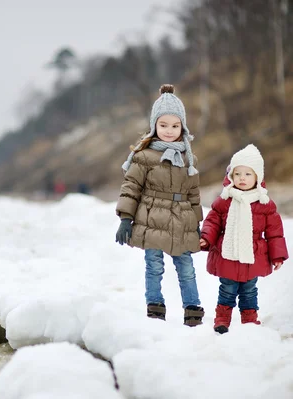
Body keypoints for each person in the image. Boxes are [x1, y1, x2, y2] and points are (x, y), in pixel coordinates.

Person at [115, 84, 204, 326]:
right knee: (154, 267)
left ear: (182, 127)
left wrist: (197, 222)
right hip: (151, 218)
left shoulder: (188, 158)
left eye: (175, 126)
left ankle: (193, 310)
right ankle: (155, 308)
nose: (168, 130)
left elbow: (193, 192)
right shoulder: (144, 156)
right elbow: (131, 187)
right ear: (155, 125)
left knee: (186, 269)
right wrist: (126, 218)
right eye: (163, 125)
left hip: (182, 220)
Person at [199, 144, 289, 334]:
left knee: (249, 290)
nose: (242, 178)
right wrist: (206, 238)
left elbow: (275, 233)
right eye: (237, 173)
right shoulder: (224, 200)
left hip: (253, 255)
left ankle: (249, 319)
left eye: (248, 174)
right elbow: (213, 221)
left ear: (258, 177)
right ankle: (222, 319)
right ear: (231, 176)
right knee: (227, 289)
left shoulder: (265, 203)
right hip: (228, 255)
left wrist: (277, 256)